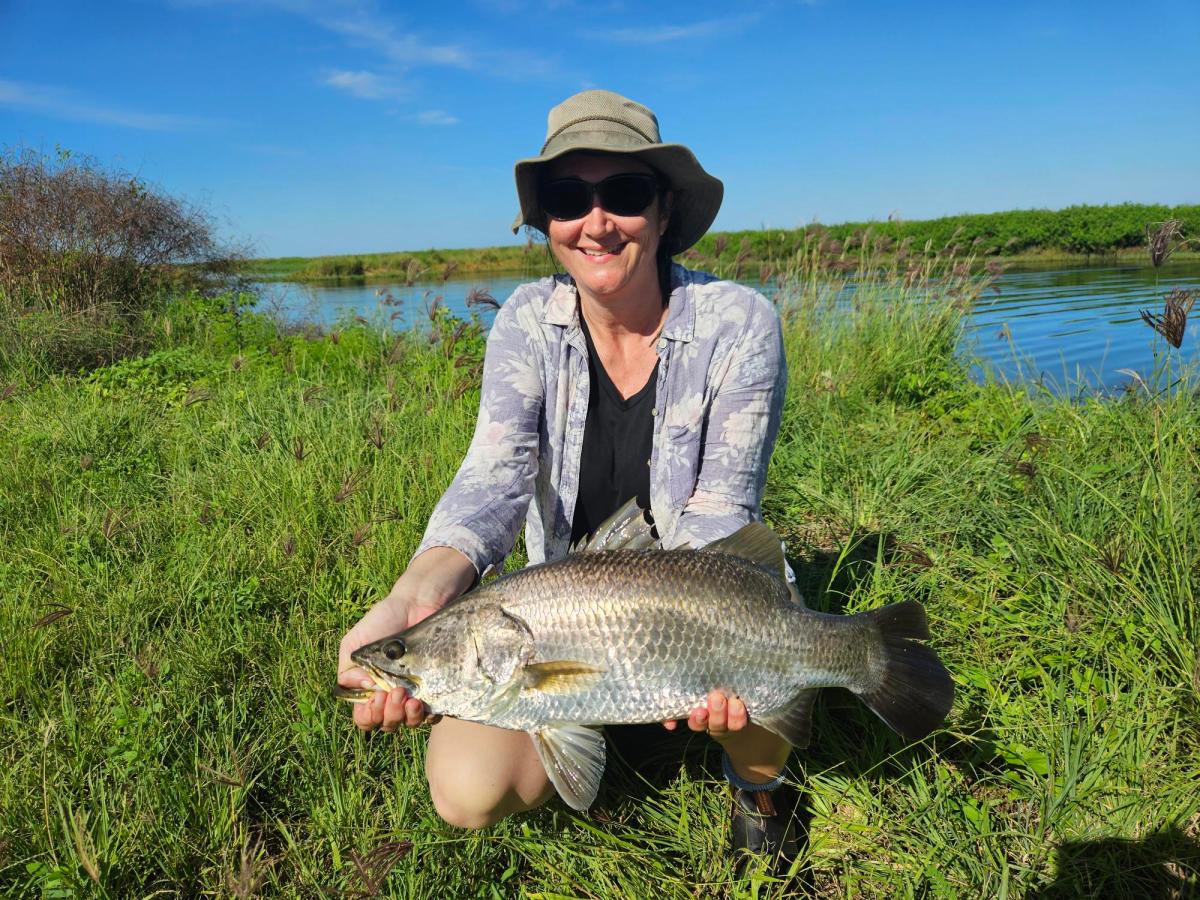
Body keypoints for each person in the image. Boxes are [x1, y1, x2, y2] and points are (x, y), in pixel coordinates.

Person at [337, 90, 797, 865]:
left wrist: (683, 638)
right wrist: (416, 597)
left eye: (624, 193)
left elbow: (723, 508)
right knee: (465, 789)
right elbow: (492, 480)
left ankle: (760, 788)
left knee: (757, 682)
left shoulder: (740, 322)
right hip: (567, 616)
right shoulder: (525, 321)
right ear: (545, 221)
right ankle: (600, 733)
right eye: (566, 199)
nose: (596, 222)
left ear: (663, 209)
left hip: (698, 596)